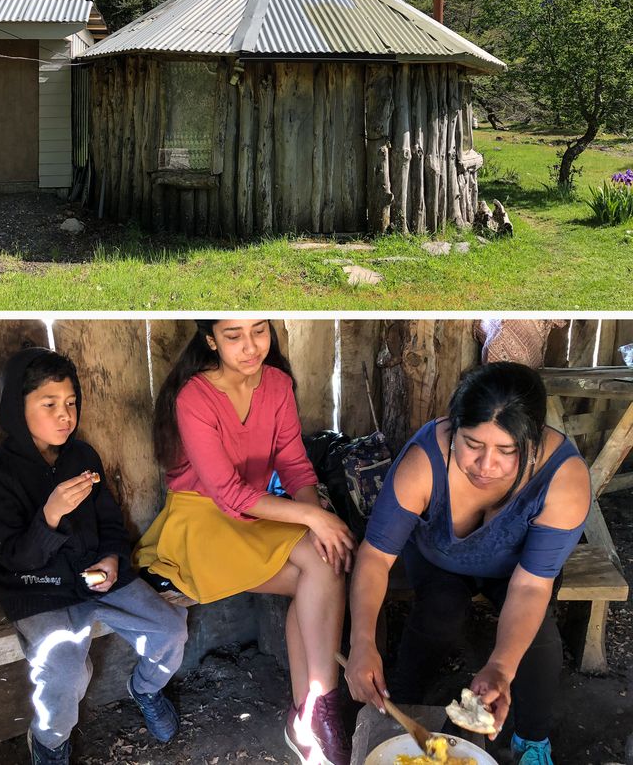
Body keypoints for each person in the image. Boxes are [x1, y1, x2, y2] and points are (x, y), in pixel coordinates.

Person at [134, 319, 357, 765]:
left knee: (323, 563)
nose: (250, 346)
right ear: (211, 340)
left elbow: (295, 465)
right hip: (201, 520)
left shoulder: (277, 384)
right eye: (233, 335)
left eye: (259, 331)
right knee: (318, 572)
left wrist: (316, 522)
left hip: (256, 513)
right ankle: (318, 710)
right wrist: (314, 517)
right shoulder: (194, 397)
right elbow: (227, 494)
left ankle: (313, 710)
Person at [345, 362, 591, 765]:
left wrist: (500, 667)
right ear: (453, 427)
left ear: (532, 441)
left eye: (507, 450)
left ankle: (532, 740)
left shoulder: (563, 478)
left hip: (518, 571)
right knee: (439, 612)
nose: (486, 465)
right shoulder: (424, 461)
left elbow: (530, 586)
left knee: (539, 639)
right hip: (439, 560)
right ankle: (399, 715)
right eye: (472, 444)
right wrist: (362, 643)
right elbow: (374, 555)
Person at [0, 347, 188, 765]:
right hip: (39, 588)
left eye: (71, 403)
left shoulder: (82, 457)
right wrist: (50, 515)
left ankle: (145, 688)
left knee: (169, 629)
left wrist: (111, 559)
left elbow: (109, 521)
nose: (64, 415)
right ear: (18, 408)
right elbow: (16, 558)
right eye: (48, 404)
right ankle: (50, 742)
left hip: (96, 577)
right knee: (65, 672)